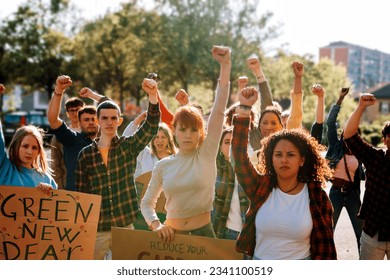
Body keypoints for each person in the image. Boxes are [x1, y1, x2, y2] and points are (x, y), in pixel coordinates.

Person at [231, 86, 336, 260]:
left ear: (302, 160)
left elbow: (326, 249)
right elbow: (239, 158)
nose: (284, 160)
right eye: (278, 155)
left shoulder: (316, 196)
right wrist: (244, 109)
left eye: (291, 155)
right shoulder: (261, 187)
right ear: (270, 159)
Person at [141, 45, 231, 242]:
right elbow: (147, 204)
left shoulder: (207, 154)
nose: (188, 135)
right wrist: (156, 225)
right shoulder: (163, 165)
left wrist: (225, 66)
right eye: (183, 129)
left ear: (201, 133)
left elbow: (218, 110)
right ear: (175, 131)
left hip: (204, 236)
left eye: (193, 130)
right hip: (170, 239)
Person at [75, 78, 160, 260]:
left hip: (124, 224)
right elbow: (82, 195)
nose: (109, 122)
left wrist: (152, 96)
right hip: (97, 228)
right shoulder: (85, 155)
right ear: (97, 120)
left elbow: (151, 127)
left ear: (120, 121)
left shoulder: (127, 147)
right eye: (104, 118)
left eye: (113, 118)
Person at [344, 93, 390, 260]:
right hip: (372, 232)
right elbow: (349, 136)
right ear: (384, 140)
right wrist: (361, 107)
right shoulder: (375, 158)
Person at [47, 76, 105, 191]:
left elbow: (112, 107)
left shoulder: (107, 140)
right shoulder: (72, 139)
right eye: (86, 120)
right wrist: (58, 91)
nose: (91, 123)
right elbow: (53, 119)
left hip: (102, 199)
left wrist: (92, 95)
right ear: (80, 122)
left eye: (94, 119)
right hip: (75, 197)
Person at [325, 87, 365, 251]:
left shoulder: (361, 151)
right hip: (335, 193)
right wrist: (340, 100)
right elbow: (330, 123)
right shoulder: (336, 145)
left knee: (361, 235)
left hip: (353, 195)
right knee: (328, 232)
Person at [0, 84, 57, 193]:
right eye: (25, 146)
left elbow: (55, 206)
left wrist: (49, 194)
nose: (29, 152)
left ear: (40, 151)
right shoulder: (4, 169)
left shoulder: (47, 179)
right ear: (16, 146)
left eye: (34, 148)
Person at [212, 126, 249, 239]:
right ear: (220, 147)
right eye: (227, 142)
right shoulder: (215, 170)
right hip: (224, 231)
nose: (231, 146)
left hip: (248, 234)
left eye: (235, 142)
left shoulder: (250, 170)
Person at [50, 97, 85, 189]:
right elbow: (55, 163)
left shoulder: (91, 133)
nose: (75, 113)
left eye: (78, 109)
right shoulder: (59, 136)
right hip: (68, 183)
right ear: (67, 113)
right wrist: (60, 186)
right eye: (71, 110)